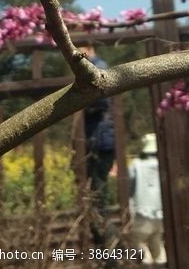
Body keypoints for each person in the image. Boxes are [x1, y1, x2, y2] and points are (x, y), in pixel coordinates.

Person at [81, 44, 116, 246]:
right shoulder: (94, 66)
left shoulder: (97, 68)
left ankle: (108, 244)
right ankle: (105, 240)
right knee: (96, 194)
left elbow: (102, 101)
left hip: (100, 141)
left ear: (89, 47)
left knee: (98, 195)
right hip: (99, 139)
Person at [129, 133, 166, 266]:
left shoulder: (136, 164)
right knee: (157, 241)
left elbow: (129, 186)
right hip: (161, 210)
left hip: (142, 210)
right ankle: (162, 262)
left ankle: (146, 262)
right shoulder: (162, 163)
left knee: (139, 241)